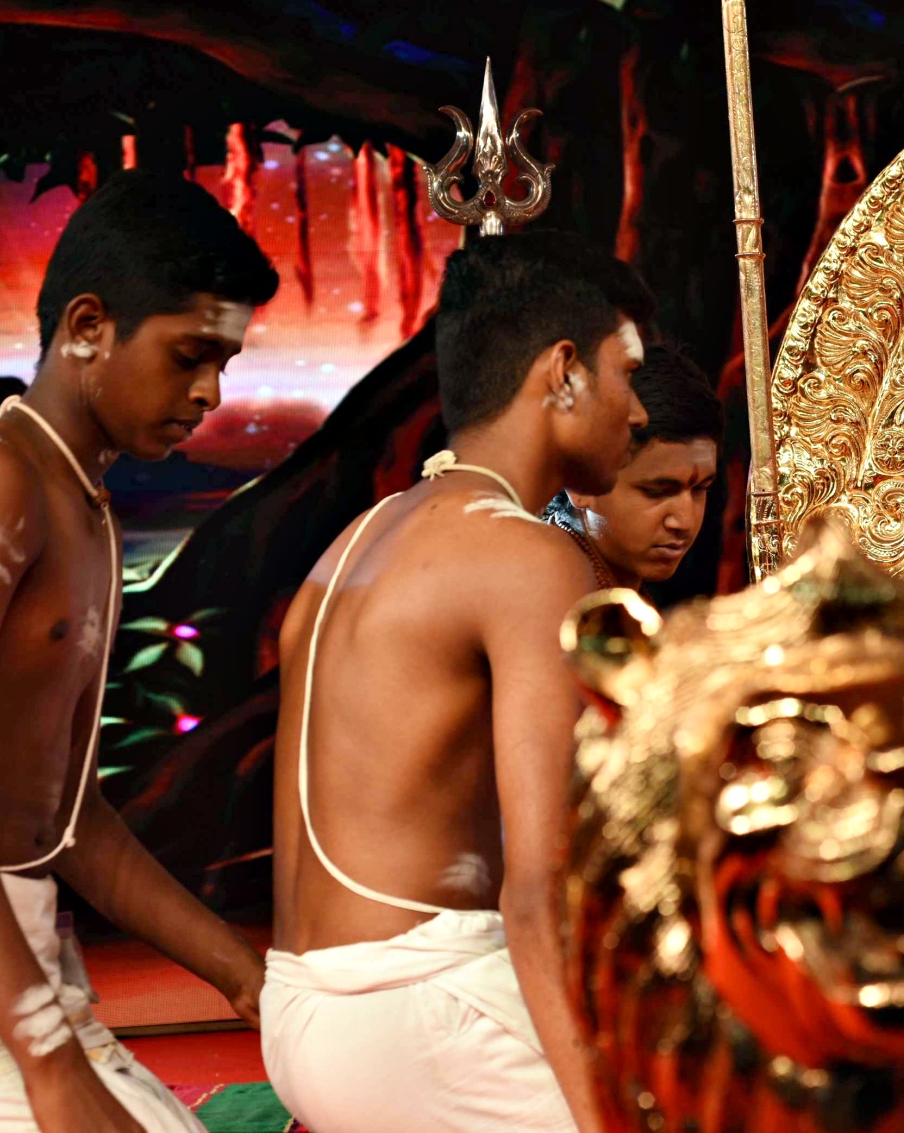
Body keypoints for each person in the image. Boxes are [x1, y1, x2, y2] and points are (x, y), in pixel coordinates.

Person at [262, 231, 652, 1133]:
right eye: (628, 374)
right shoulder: (526, 557)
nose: (638, 413)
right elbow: (538, 893)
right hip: (418, 1016)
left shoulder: (358, 539)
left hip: (302, 1013)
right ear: (564, 373)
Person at [0, 170, 275, 1131]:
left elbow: (69, 818)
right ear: (87, 327)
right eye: (191, 355)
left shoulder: (87, 507)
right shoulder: (4, 483)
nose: (210, 394)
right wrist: (48, 1063)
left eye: (225, 363)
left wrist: (245, 974)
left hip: (38, 981)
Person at [543, 337, 719, 593]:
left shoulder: (612, 587)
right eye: (657, 492)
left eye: (700, 489)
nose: (685, 521)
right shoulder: (544, 592)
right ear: (579, 483)